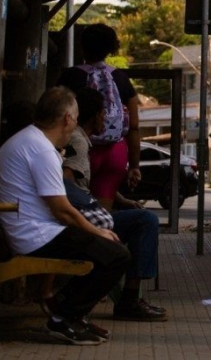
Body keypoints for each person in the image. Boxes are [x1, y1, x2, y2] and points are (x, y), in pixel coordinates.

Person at [0, 87, 131, 346]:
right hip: (35, 235)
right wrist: (97, 231)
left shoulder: (32, 140)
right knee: (117, 255)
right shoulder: (41, 149)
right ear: (68, 118)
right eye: (77, 117)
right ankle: (62, 317)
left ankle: (68, 312)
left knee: (109, 250)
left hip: (31, 230)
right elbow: (62, 209)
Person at [60, 87, 167, 322]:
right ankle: (129, 299)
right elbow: (67, 184)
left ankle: (129, 298)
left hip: (81, 213)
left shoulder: (82, 140)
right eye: (104, 114)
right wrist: (91, 211)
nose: (107, 119)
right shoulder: (78, 142)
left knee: (139, 217)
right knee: (146, 221)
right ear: (96, 116)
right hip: (78, 218)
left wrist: (122, 200)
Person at [57, 23, 141, 210]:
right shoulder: (121, 78)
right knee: (103, 215)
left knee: (77, 209)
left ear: (82, 46)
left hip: (80, 149)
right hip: (115, 153)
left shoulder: (71, 76)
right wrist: (134, 165)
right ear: (111, 48)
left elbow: (56, 115)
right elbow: (133, 126)